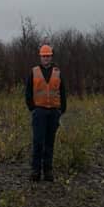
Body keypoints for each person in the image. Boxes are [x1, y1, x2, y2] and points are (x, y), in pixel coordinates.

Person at [25, 44, 66, 182]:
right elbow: (28, 92)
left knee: (50, 142)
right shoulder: (34, 72)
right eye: (44, 56)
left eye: (48, 56)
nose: (46, 58)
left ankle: (48, 171)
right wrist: (33, 108)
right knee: (38, 142)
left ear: (51, 56)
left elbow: (63, 92)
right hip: (39, 111)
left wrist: (61, 110)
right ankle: (35, 171)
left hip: (54, 112)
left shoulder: (57, 72)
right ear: (40, 57)